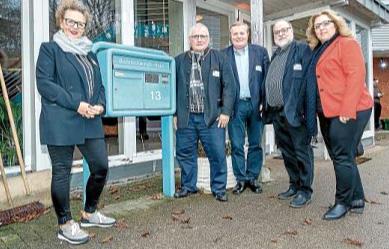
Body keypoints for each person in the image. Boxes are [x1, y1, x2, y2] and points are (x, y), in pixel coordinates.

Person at [36, 0, 115, 244]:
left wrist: (100, 104)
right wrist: (76, 103)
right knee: (62, 172)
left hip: (89, 119)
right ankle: (65, 223)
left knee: (101, 166)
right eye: (71, 22)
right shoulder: (50, 49)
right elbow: (45, 84)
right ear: (61, 22)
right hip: (61, 119)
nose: (75, 27)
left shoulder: (89, 53)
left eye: (80, 24)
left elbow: (99, 85)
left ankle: (89, 212)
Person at [306, 10, 373, 220]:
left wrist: (347, 109)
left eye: (326, 23)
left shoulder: (346, 43)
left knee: (342, 156)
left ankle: (342, 202)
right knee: (343, 155)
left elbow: (356, 75)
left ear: (335, 24)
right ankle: (357, 199)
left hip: (349, 109)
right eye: (317, 26)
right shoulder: (319, 48)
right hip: (327, 111)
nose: (322, 28)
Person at [174, 23, 235, 202]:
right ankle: (188, 186)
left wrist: (226, 112)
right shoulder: (178, 60)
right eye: (195, 36)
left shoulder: (220, 58)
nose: (199, 40)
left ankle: (218, 188)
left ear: (209, 39)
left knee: (217, 153)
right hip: (187, 117)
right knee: (185, 153)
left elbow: (229, 87)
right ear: (189, 39)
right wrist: (174, 114)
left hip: (213, 117)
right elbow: (171, 89)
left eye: (203, 36)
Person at [262, 20, 315, 208]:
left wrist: (305, 110)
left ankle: (305, 190)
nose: (281, 33)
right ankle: (294, 184)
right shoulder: (275, 54)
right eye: (277, 31)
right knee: (287, 152)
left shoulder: (301, 49)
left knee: (301, 151)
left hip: (295, 113)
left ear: (291, 30)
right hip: (277, 113)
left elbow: (309, 81)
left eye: (285, 30)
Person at [222, 22, 269, 195]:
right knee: (237, 144)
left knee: (256, 143)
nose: (238, 36)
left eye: (242, 33)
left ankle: (252, 178)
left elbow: (267, 78)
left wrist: (265, 101)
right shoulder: (223, 55)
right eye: (235, 34)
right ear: (231, 35)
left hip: (257, 105)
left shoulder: (260, 52)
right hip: (235, 106)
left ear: (248, 34)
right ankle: (240, 179)